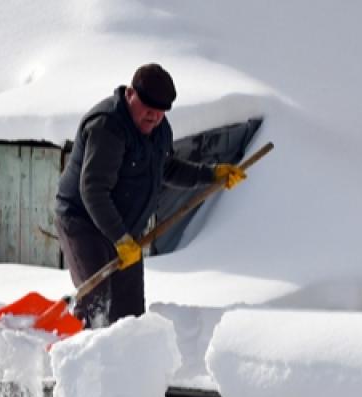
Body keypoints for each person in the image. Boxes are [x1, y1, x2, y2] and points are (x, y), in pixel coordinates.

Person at [54, 63, 246, 328]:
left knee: (130, 310)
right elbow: (94, 190)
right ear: (131, 94)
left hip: (123, 228)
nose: (154, 118)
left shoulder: (159, 130)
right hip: (84, 221)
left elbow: (165, 168)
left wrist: (211, 175)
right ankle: (78, 355)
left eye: (160, 113)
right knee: (96, 301)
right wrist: (120, 237)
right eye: (148, 110)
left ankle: (127, 364)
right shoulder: (107, 127)